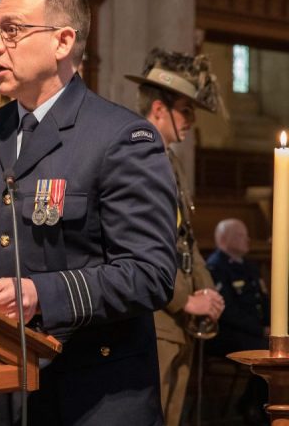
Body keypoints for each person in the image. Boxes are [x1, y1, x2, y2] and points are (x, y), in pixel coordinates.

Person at [0, 0, 178, 424]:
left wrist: (39, 294)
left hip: (93, 395)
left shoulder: (120, 137)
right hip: (0, 387)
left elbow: (150, 274)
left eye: (12, 31)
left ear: (63, 41)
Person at [125, 48, 226, 425]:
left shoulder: (170, 161)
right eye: (186, 109)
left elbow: (185, 236)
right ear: (157, 110)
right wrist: (186, 300)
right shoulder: (136, 159)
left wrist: (208, 290)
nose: (192, 120)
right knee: (152, 415)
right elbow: (141, 244)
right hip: (155, 317)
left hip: (178, 319)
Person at [206, 218, 269, 425]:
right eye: (242, 235)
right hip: (226, 334)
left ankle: (250, 402)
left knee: (277, 349)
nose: (248, 239)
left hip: (253, 333)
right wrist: (261, 330)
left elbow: (264, 301)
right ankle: (256, 408)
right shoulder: (215, 267)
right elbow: (228, 311)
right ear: (224, 239)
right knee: (266, 354)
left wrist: (273, 327)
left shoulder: (249, 267)